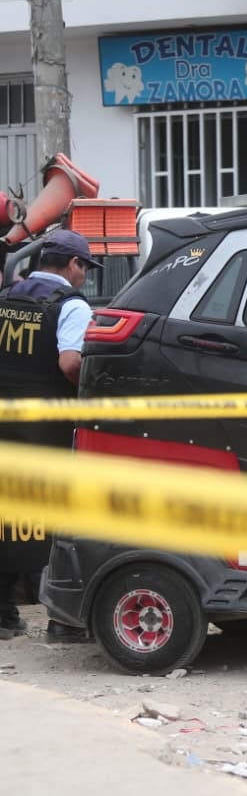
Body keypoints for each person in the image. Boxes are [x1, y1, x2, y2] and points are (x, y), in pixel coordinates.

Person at [0, 230, 100, 642]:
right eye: (85, 269)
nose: (84, 278)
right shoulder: (70, 307)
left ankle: (5, 612)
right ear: (73, 265)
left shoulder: (7, 296)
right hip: (45, 427)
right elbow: (70, 363)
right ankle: (63, 618)